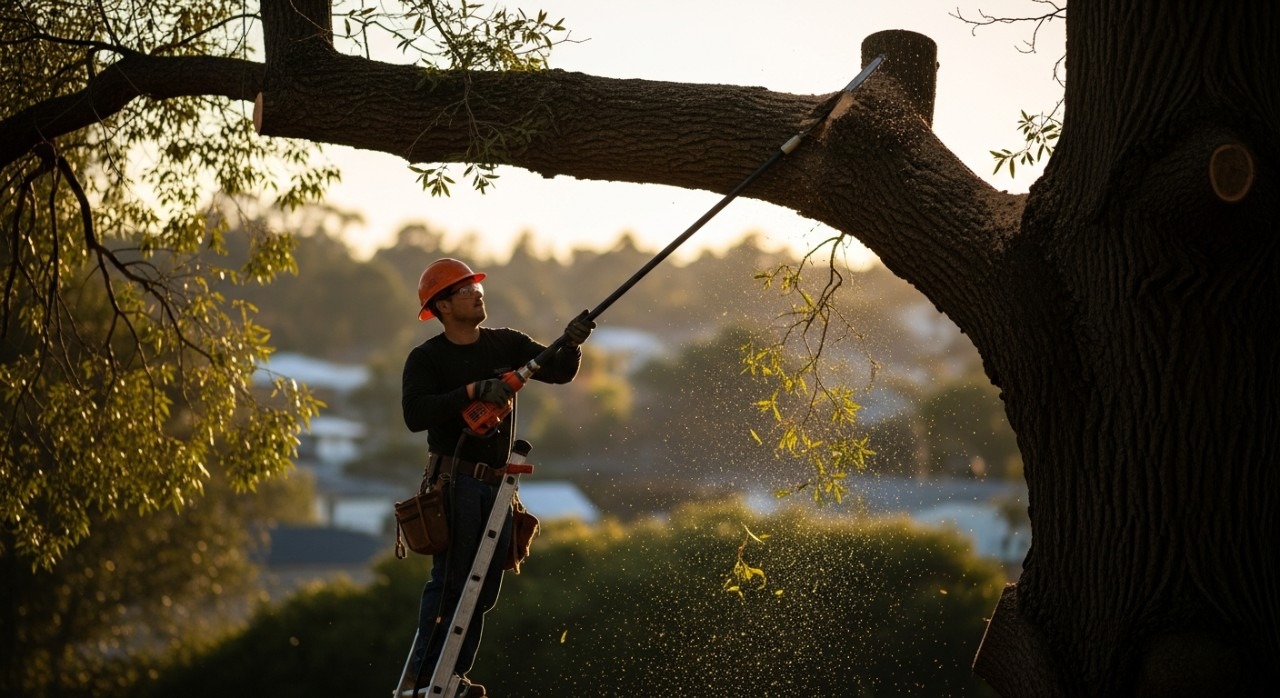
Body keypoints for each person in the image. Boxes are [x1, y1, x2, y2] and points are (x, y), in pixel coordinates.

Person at [400, 258, 594, 698]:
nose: (476, 293)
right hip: (455, 482)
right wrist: (471, 392)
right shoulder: (427, 358)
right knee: (452, 580)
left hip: (498, 484)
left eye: (476, 286)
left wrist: (572, 343)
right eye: (464, 289)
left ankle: (452, 676)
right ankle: (427, 677)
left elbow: (559, 370)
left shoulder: (507, 343)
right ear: (442, 306)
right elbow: (415, 414)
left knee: (483, 588)